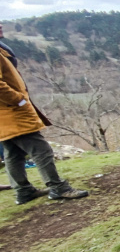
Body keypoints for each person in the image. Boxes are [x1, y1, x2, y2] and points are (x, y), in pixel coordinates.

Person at [0, 23, 89, 204]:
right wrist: (18, 99)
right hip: (12, 112)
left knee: (13, 152)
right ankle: (58, 187)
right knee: (41, 149)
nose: (1, 26)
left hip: (6, 114)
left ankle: (23, 191)